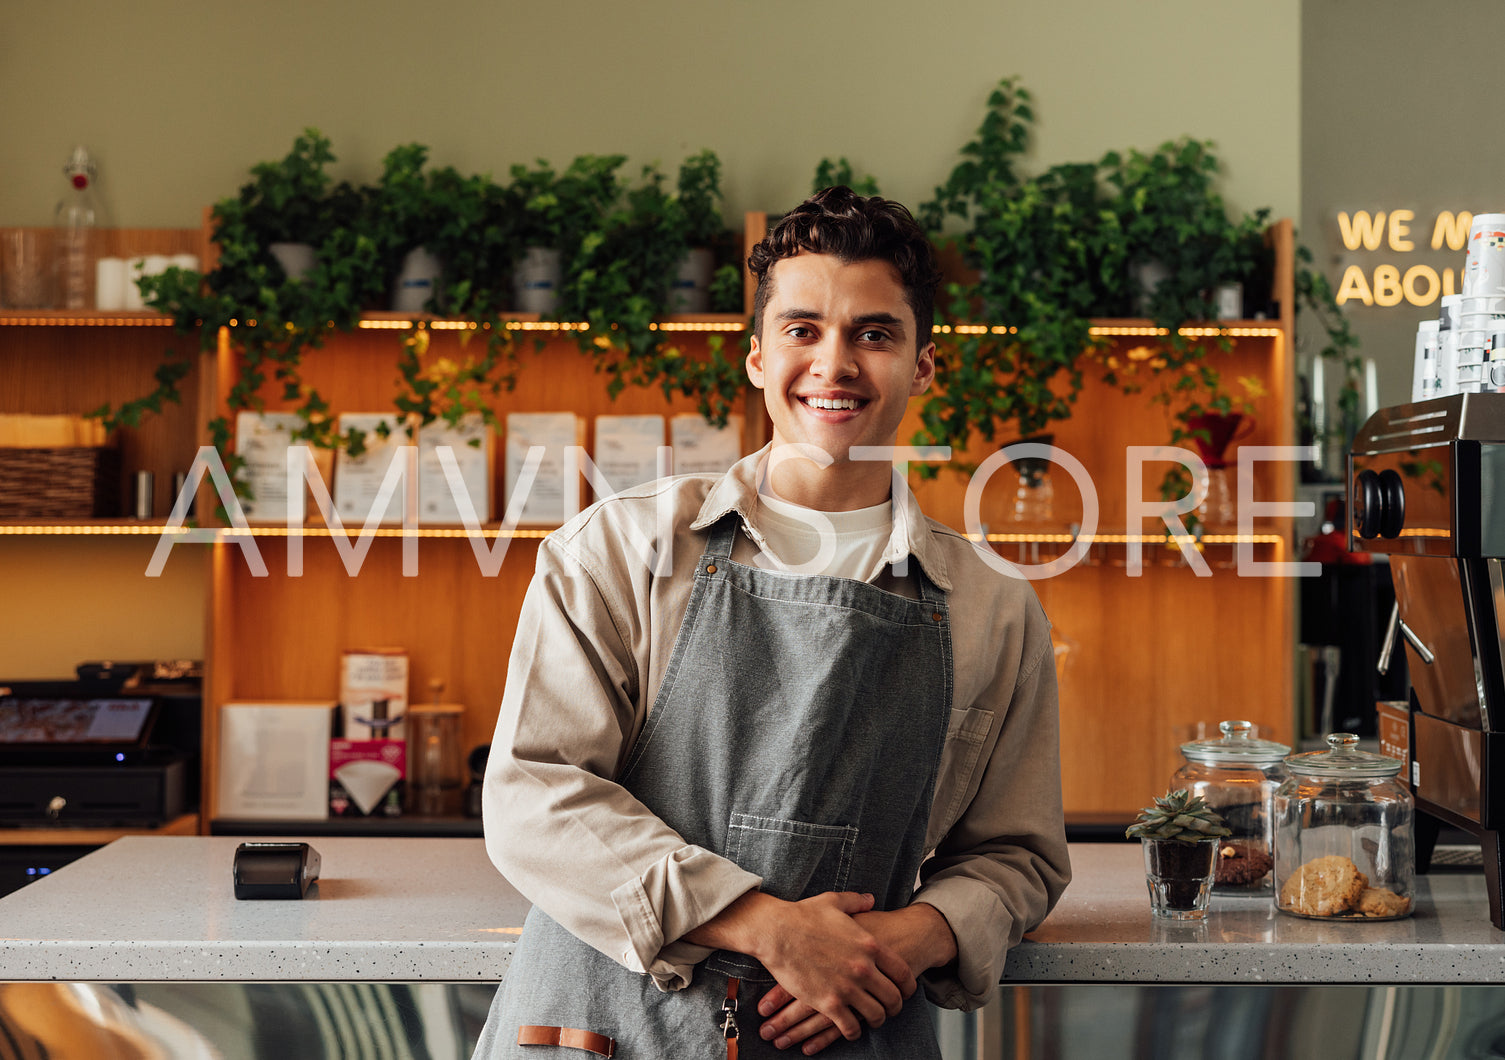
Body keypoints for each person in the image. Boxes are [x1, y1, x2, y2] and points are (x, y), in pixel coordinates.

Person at [473, 187, 1070, 1058]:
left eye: (874, 333)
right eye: (802, 330)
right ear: (755, 357)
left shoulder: (991, 606)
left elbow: (1018, 857)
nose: (835, 364)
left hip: (849, 1021)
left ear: (924, 365)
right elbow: (533, 793)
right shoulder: (620, 547)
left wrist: (911, 937)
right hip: (602, 1020)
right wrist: (771, 928)